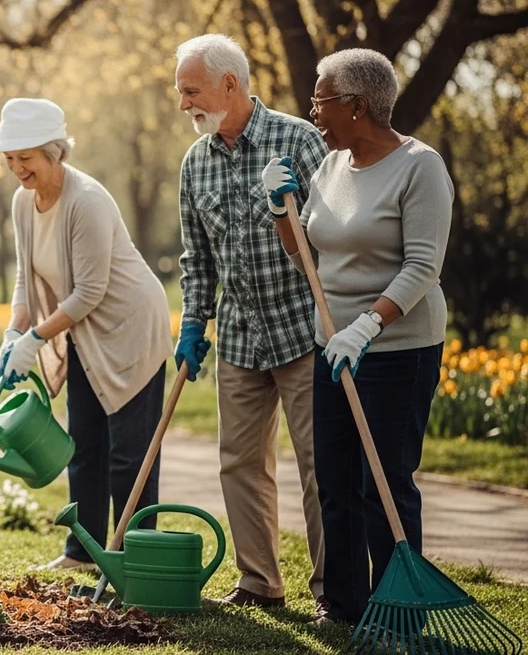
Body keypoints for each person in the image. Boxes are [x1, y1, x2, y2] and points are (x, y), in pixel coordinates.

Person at [265, 49, 452, 626]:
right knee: (336, 479)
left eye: (321, 100)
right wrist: (280, 212)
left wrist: (368, 326)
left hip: (398, 347)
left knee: (386, 483)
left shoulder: (420, 168)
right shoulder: (329, 167)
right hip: (333, 344)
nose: (313, 110)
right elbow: (311, 262)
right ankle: (341, 605)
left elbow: (422, 267)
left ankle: (398, 610)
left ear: (358, 105)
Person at [172, 33, 328, 614]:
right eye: (180, 92)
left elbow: (332, 239)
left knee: (319, 464)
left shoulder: (299, 140)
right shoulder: (194, 162)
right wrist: (194, 324)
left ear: (228, 84)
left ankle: (331, 589)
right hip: (238, 336)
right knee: (239, 462)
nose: (184, 103)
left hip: (303, 329)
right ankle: (260, 584)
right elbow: (197, 259)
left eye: (191, 91)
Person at [0, 98, 172, 571]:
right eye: (9, 159)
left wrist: (35, 341)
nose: (16, 169)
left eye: (24, 158)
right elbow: (25, 279)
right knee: (84, 445)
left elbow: (90, 292)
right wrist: (14, 332)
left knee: (129, 454)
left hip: (129, 327)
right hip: (83, 335)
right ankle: (83, 554)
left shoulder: (86, 200)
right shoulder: (23, 203)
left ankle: (134, 559)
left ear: (54, 152)